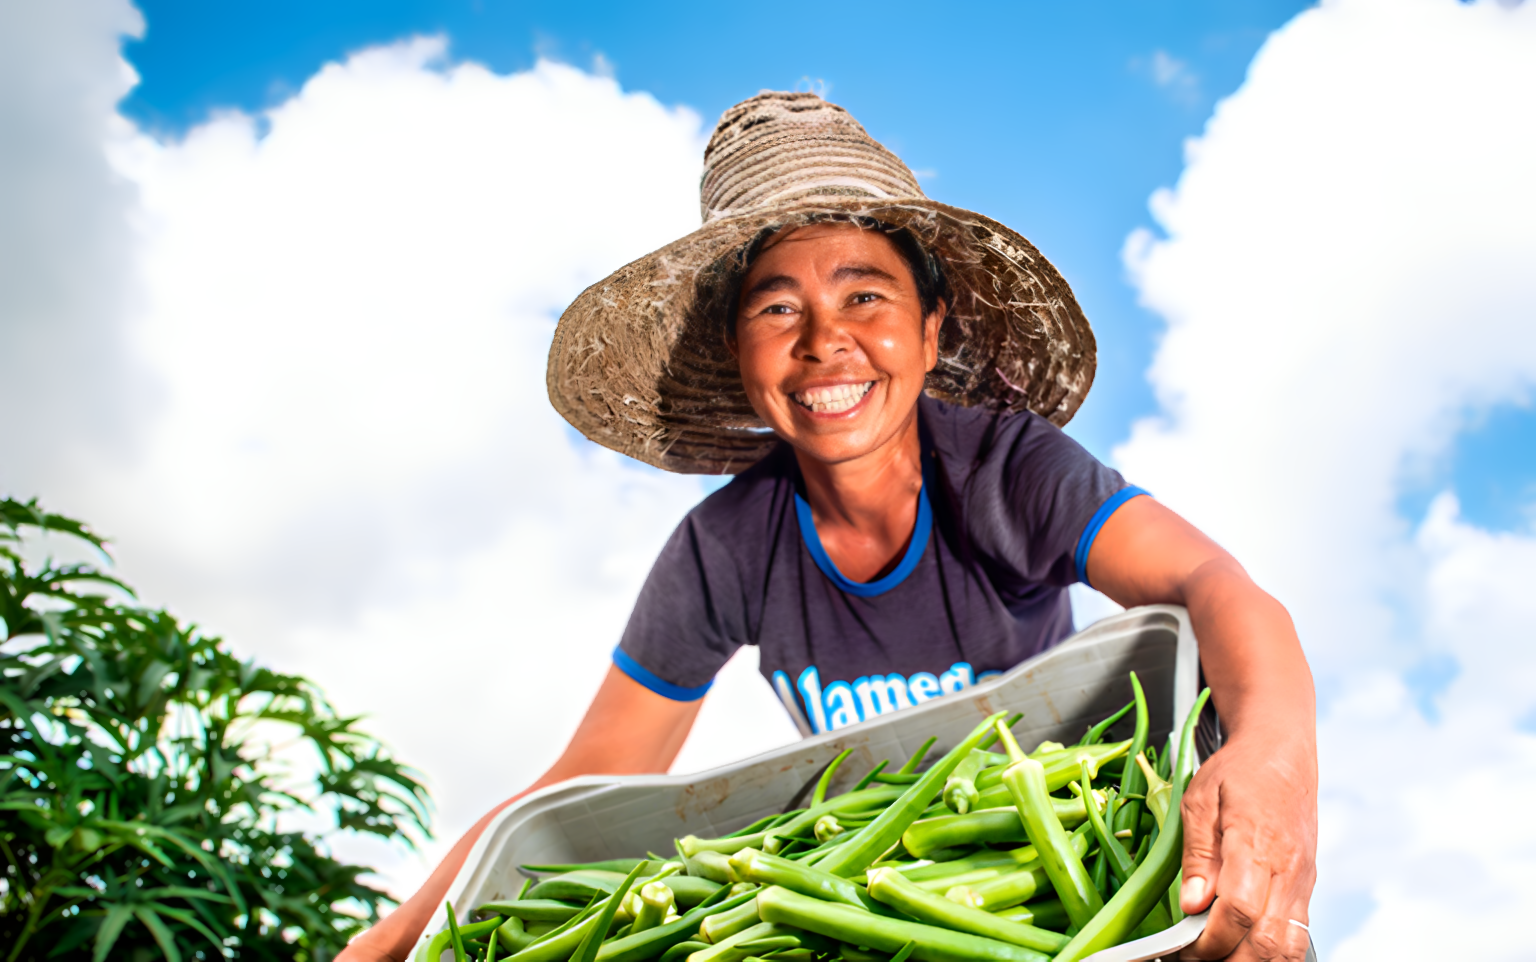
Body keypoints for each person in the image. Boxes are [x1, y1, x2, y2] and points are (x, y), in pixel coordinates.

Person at [342, 92, 1316, 962]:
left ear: (932, 326)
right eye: (777, 306)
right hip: (873, 892)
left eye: (864, 294)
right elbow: (577, 789)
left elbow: (1216, 589)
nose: (823, 341)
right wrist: (387, 941)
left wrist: (1270, 754)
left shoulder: (1009, 472)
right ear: (738, 352)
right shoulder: (726, 548)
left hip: (1051, 862)